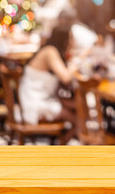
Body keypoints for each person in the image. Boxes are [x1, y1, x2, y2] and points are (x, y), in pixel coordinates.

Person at [19, 12, 83, 142]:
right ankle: (61, 150)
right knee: (80, 118)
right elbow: (65, 77)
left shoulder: (50, 50)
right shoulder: (50, 51)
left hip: (40, 99)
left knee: (78, 108)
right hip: (35, 104)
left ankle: (63, 147)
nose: (73, 42)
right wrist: (79, 60)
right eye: (70, 38)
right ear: (63, 39)